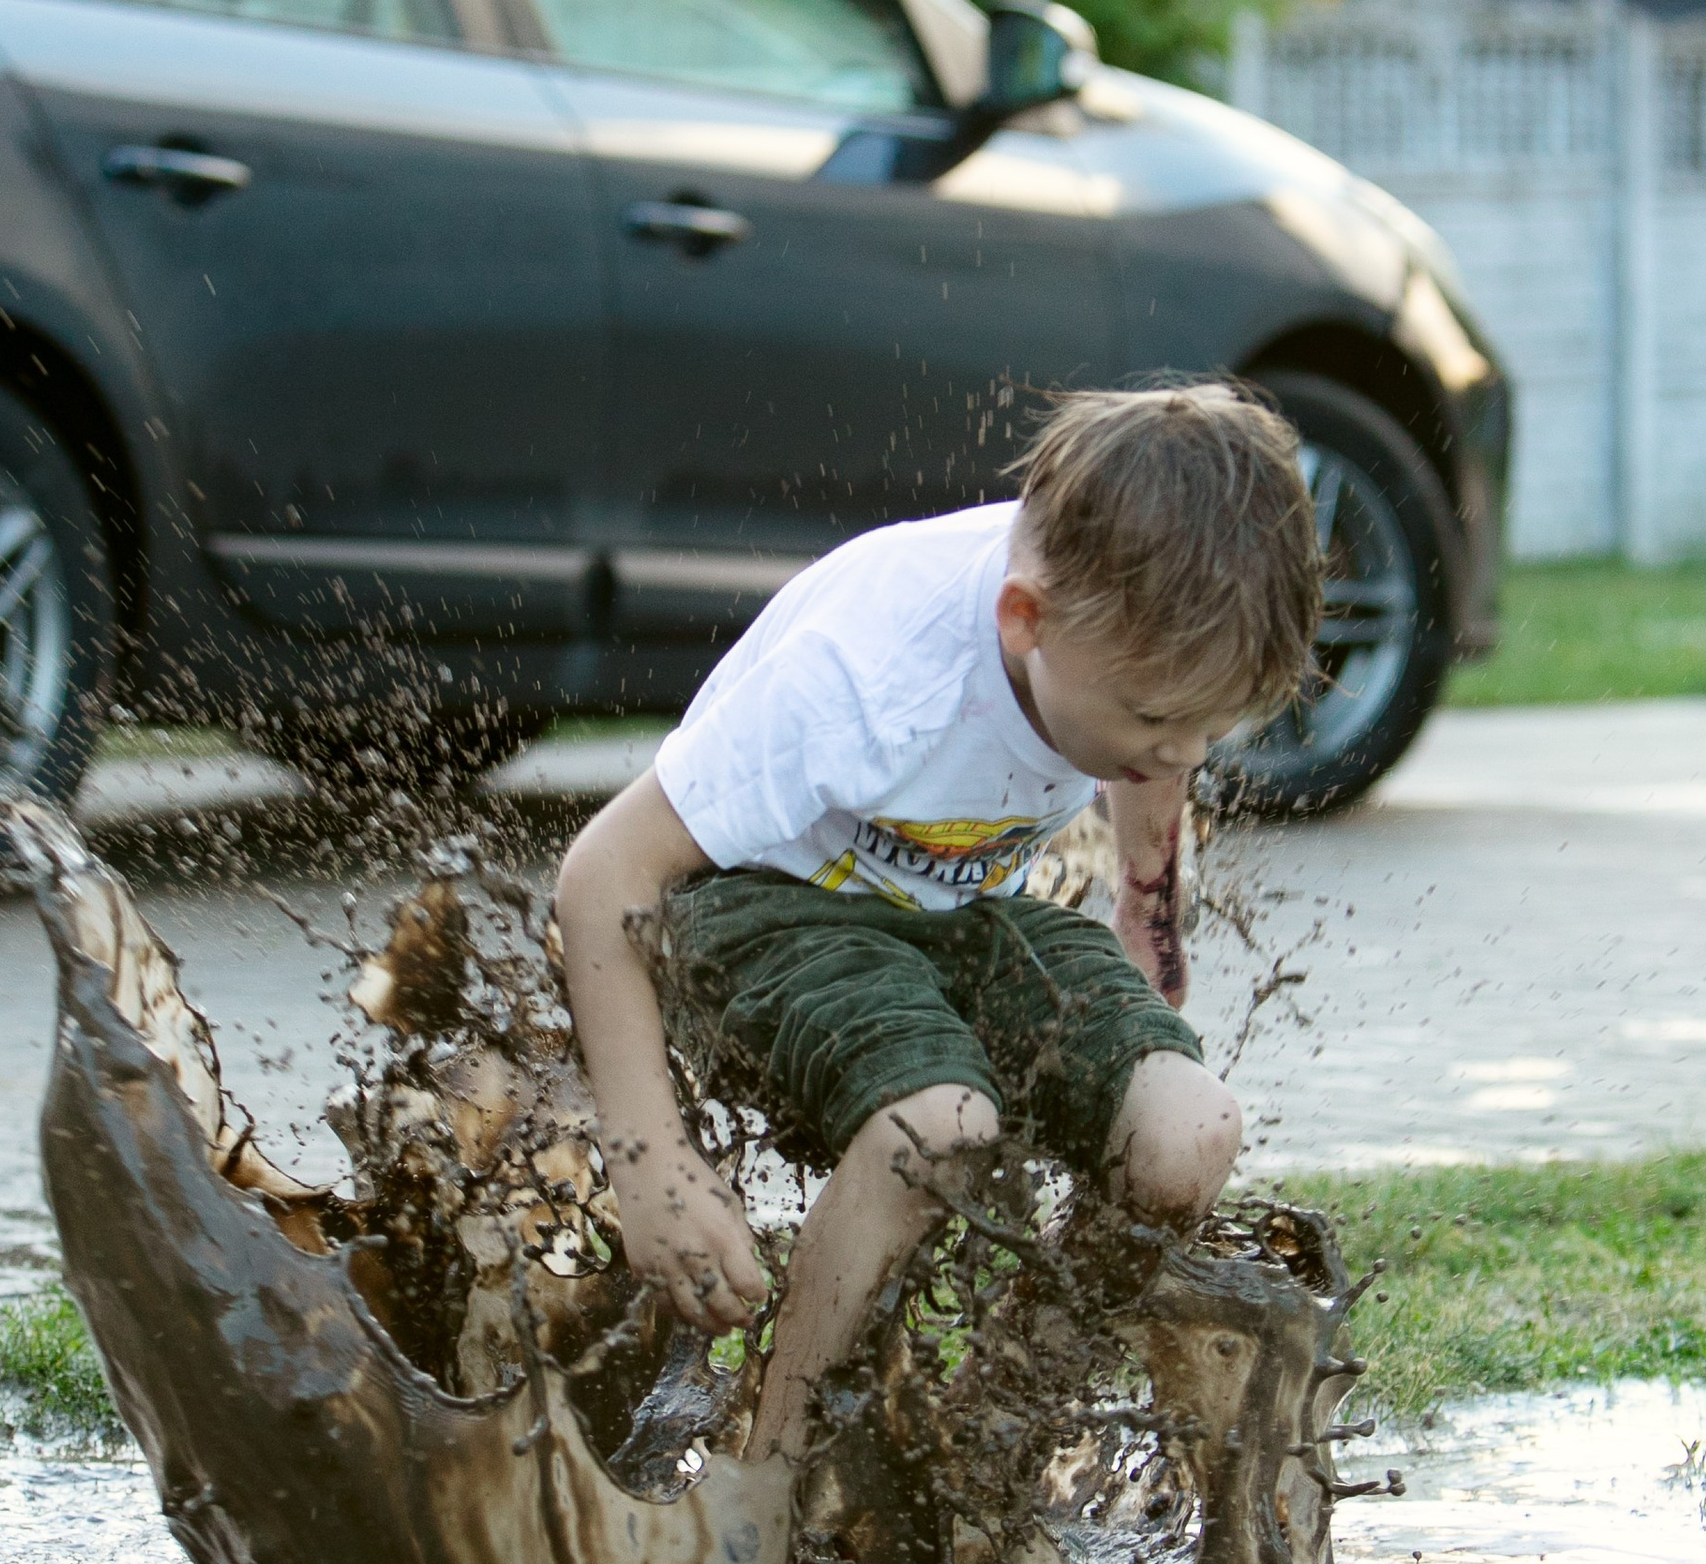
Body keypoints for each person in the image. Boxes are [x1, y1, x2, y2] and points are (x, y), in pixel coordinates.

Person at [553, 382, 1324, 1464]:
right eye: (1153, 719)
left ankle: (996, 1422)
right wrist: (652, 1168)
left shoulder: (1123, 653)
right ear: (1024, 621)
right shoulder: (867, 676)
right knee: (942, 1125)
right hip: (757, 901)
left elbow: (1163, 748)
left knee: (1186, 1133)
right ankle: (766, 1476)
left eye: (1214, 724)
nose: (1182, 755)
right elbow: (602, 876)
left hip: (952, 898)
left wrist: (1148, 922)